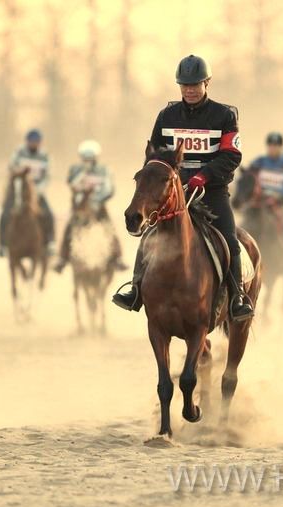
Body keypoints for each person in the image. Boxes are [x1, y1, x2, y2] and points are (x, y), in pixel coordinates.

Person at [112, 54, 254, 321]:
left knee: (231, 241)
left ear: (207, 83)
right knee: (148, 238)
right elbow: (153, 156)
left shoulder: (224, 116)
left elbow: (231, 156)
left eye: (195, 85)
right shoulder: (166, 116)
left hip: (211, 191)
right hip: (171, 193)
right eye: (185, 85)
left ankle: (237, 298)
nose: (189, 90)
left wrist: (205, 175)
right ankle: (134, 289)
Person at [54, 139, 124, 273]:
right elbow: (72, 184)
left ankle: (118, 258)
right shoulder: (75, 169)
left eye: (90, 158)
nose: (88, 161)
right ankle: (62, 258)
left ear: (96, 158)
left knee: (110, 228)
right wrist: (82, 174)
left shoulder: (104, 170)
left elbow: (109, 189)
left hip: (99, 207)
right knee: (69, 228)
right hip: (80, 207)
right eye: (85, 158)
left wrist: (95, 200)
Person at [0, 129, 55, 256]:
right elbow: (12, 168)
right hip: (18, 190)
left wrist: (37, 190)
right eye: (31, 142)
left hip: (37, 192)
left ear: (40, 143)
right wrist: (19, 175)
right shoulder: (19, 153)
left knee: (49, 214)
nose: (33, 144)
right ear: (27, 142)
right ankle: (2, 245)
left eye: (36, 142)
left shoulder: (45, 156)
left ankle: (50, 243)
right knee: (5, 213)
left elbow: (47, 176)